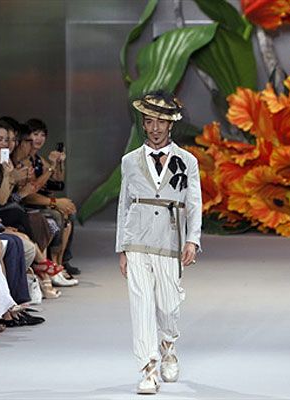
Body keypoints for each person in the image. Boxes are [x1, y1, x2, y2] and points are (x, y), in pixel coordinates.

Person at [116, 91, 202, 394]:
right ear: (143, 123)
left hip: (170, 239)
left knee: (168, 305)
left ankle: (168, 345)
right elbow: (124, 205)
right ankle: (148, 369)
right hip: (137, 240)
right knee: (140, 304)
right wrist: (122, 248)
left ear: (170, 124)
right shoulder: (129, 161)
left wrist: (192, 240)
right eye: (149, 121)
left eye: (161, 122)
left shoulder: (187, 161)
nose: (155, 128)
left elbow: (194, 203)